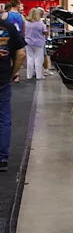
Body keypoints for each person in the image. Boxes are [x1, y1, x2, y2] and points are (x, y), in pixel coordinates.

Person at [0, 18, 26, 171]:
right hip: (2, 77)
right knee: (3, 118)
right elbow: (21, 54)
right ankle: (2, 158)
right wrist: (12, 73)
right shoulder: (8, 26)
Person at [24, 8, 48, 80]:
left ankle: (29, 75)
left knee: (29, 59)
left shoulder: (26, 22)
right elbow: (45, 32)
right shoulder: (40, 23)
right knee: (38, 59)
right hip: (39, 43)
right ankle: (39, 76)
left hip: (28, 42)